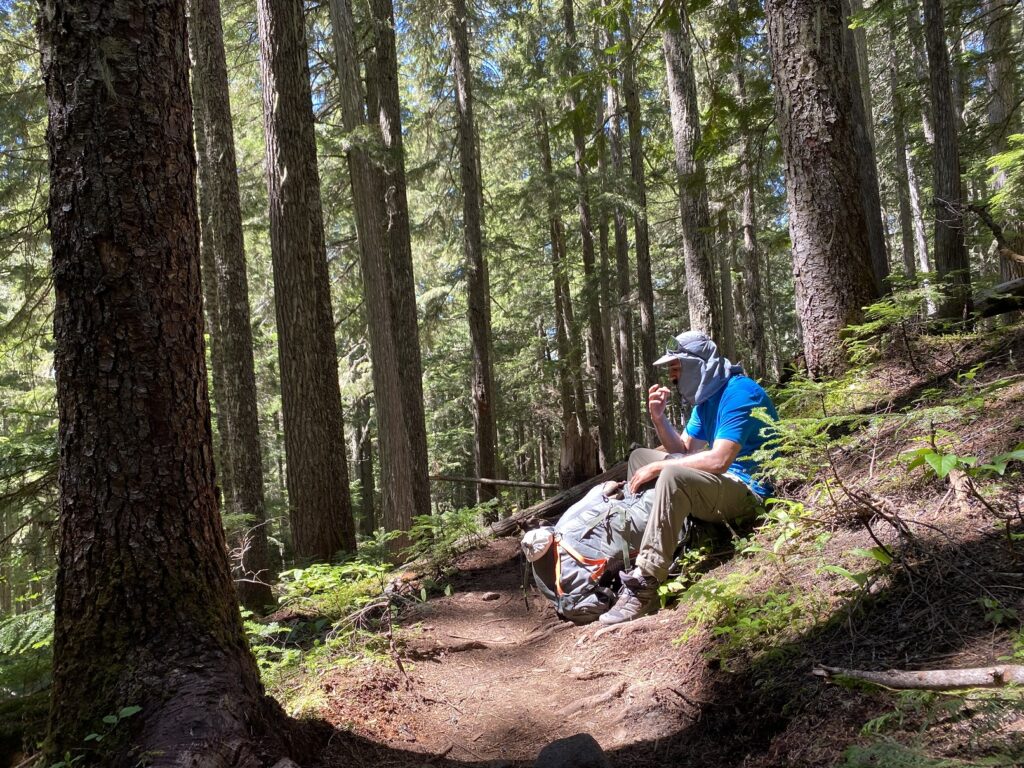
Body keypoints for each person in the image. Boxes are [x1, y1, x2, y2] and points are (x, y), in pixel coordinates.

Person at [598, 331, 779, 625]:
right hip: (720, 484)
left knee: (669, 472)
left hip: (748, 490)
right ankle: (638, 547)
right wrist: (659, 418)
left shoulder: (740, 393)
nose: (672, 373)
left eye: (676, 365)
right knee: (640, 458)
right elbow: (682, 449)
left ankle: (645, 583)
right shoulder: (706, 398)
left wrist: (661, 469)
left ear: (697, 364)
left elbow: (720, 459)